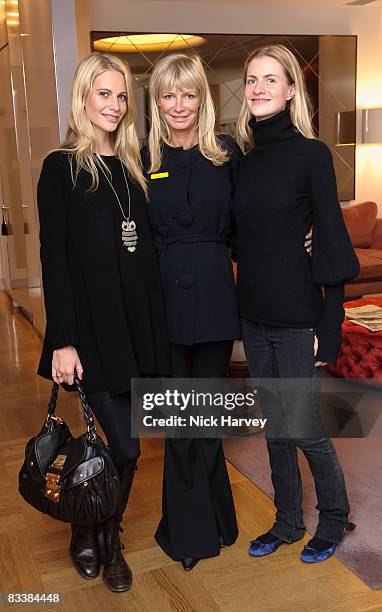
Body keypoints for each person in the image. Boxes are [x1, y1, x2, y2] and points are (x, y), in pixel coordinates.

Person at [37, 52, 170, 592]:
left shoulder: (137, 168)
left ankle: (100, 536)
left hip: (140, 326)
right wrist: (63, 341)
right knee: (124, 446)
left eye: (121, 95)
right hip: (92, 331)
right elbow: (54, 259)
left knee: (124, 445)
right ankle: (94, 531)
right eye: (104, 93)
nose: (114, 105)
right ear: (84, 98)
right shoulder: (61, 166)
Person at [233, 44, 359, 563]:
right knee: (275, 430)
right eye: (251, 79)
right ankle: (287, 522)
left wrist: (326, 330)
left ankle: (332, 519)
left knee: (304, 428)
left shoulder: (312, 155)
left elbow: (332, 247)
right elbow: (240, 239)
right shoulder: (239, 160)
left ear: (290, 91)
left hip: (297, 320)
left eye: (270, 79)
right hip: (254, 317)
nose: (259, 88)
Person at [142, 53, 241, 571]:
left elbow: (253, 217)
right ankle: (188, 533)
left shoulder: (227, 152)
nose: (179, 105)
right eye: (168, 94)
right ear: (156, 100)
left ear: (202, 98)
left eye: (188, 94)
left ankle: (218, 520)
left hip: (217, 302)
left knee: (206, 416)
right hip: (164, 304)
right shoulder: (143, 156)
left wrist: (303, 235)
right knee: (178, 419)